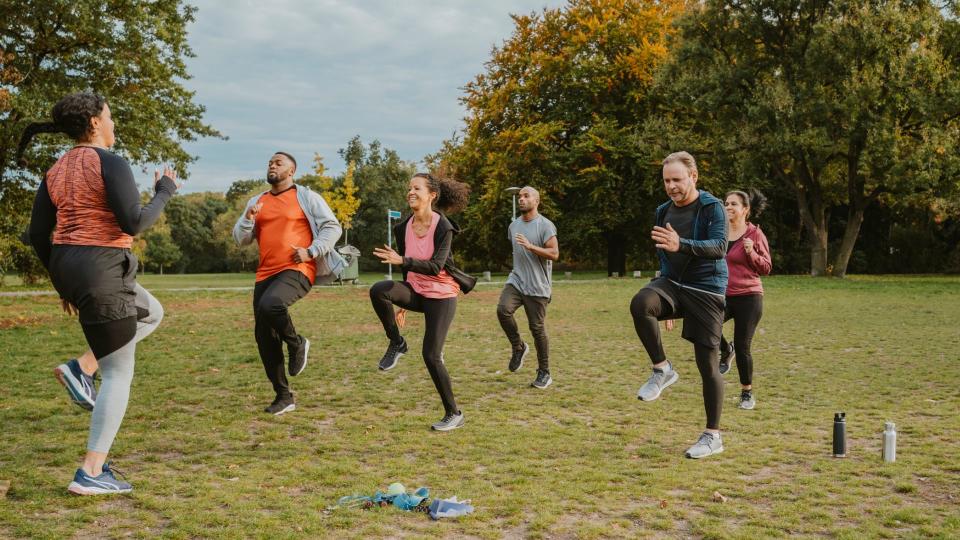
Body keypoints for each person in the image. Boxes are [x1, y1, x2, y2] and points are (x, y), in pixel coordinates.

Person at [21, 92, 179, 494]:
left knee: (152, 311)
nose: (113, 125)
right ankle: (91, 471)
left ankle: (82, 367)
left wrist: (64, 282)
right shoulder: (111, 162)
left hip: (71, 267)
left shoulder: (55, 169)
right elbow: (133, 222)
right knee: (119, 373)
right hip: (103, 269)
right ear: (93, 122)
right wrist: (164, 190)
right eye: (109, 117)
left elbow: (39, 235)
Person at [629, 151, 729, 459]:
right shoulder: (663, 211)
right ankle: (662, 369)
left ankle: (712, 436)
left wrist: (681, 244)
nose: (671, 186)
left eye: (677, 179)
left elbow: (719, 247)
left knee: (707, 365)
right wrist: (663, 296)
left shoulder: (712, 208)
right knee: (641, 303)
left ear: (694, 177)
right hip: (672, 284)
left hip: (706, 289)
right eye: (666, 180)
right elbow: (665, 253)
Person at [233, 152, 344, 415]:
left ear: (291, 171)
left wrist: (312, 251)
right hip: (265, 274)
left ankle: (296, 343)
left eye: (278, 163)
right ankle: (284, 396)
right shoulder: (256, 201)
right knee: (264, 336)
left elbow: (332, 226)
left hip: (297, 268)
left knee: (272, 305)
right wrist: (248, 217)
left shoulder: (306, 196)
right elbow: (241, 239)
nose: (272, 165)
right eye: (270, 162)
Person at [369, 173, 476, 431]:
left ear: (432, 195)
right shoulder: (402, 227)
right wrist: (402, 300)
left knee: (431, 355)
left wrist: (402, 261)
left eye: (416, 188)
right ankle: (397, 343)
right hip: (416, 290)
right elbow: (408, 270)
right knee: (379, 290)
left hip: (441, 295)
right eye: (409, 188)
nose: (410, 192)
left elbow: (436, 266)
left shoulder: (443, 226)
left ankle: (454, 413)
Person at [496, 186, 559, 388]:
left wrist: (531, 246)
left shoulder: (545, 226)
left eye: (526, 196)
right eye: (519, 196)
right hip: (516, 281)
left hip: (538, 286)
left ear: (536, 200)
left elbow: (554, 253)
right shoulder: (513, 226)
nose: (521, 199)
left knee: (537, 329)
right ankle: (518, 346)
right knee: (503, 311)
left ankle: (544, 372)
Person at [718, 190, 771, 410]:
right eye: (726, 203)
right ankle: (725, 350)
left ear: (745, 210)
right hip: (723, 295)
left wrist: (751, 253)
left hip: (749, 297)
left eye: (733, 204)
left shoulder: (755, 234)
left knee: (743, 345)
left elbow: (766, 267)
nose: (728, 207)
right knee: (701, 324)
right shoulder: (719, 232)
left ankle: (746, 393)